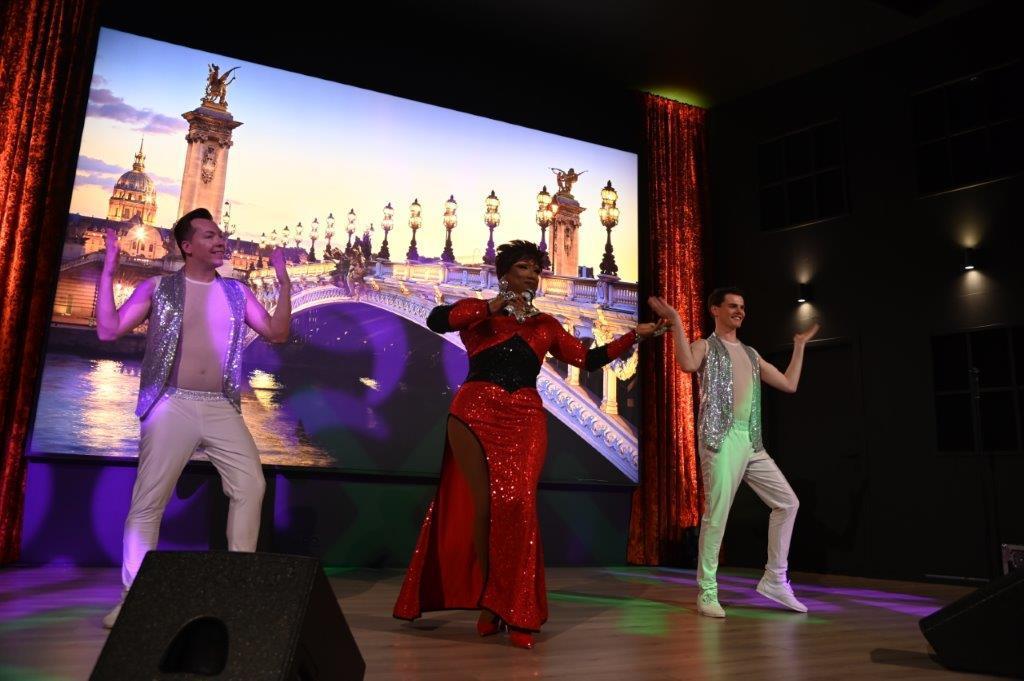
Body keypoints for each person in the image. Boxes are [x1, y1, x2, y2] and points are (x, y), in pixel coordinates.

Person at [393, 240, 669, 648]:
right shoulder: (477, 313)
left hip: (524, 417)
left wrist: (634, 335)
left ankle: (515, 605)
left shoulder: (547, 325)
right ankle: (492, 602)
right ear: (505, 273)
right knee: (484, 509)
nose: (532, 275)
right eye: (524, 267)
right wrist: (494, 305)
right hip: (473, 413)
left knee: (519, 504)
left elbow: (587, 360)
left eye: (537, 269)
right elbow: (438, 320)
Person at [96, 207, 292, 628]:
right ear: (187, 246)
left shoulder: (238, 292)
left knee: (251, 486)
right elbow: (108, 330)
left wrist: (285, 282)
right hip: (171, 403)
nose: (220, 241)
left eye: (221, 235)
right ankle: (133, 598)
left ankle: (237, 589)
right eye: (209, 235)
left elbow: (277, 333)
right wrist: (108, 271)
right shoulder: (158, 287)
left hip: (221, 405)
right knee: (149, 501)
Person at [648, 289, 818, 618]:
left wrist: (799, 346)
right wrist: (677, 321)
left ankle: (775, 579)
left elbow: (789, 384)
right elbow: (686, 363)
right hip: (721, 438)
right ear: (715, 309)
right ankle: (707, 590)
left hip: (750, 440)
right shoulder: (706, 346)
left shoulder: (751, 354)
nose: (739, 311)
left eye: (742, 306)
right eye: (733, 306)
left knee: (788, 503)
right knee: (717, 514)